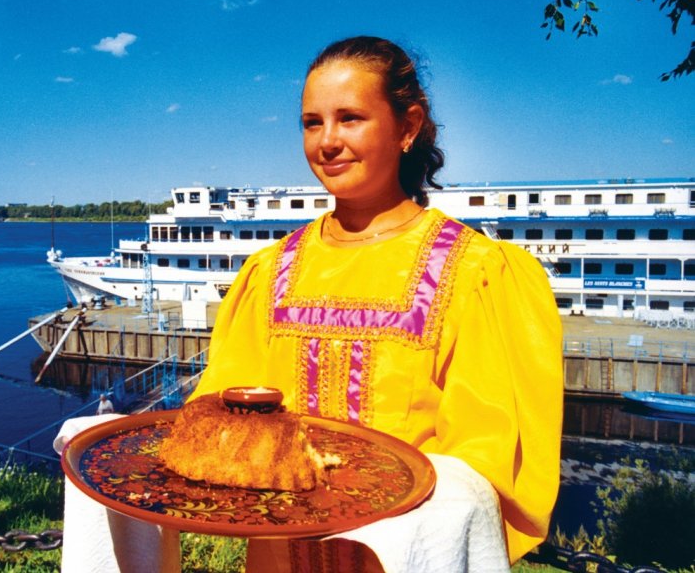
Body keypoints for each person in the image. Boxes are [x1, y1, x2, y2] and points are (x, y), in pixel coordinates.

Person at [187, 36, 563, 570]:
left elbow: (483, 459)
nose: (328, 141)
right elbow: (225, 409)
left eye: (351, 118)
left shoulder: (474, 271)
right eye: (312, 123)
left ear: (408, 126)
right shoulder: (270, 272)